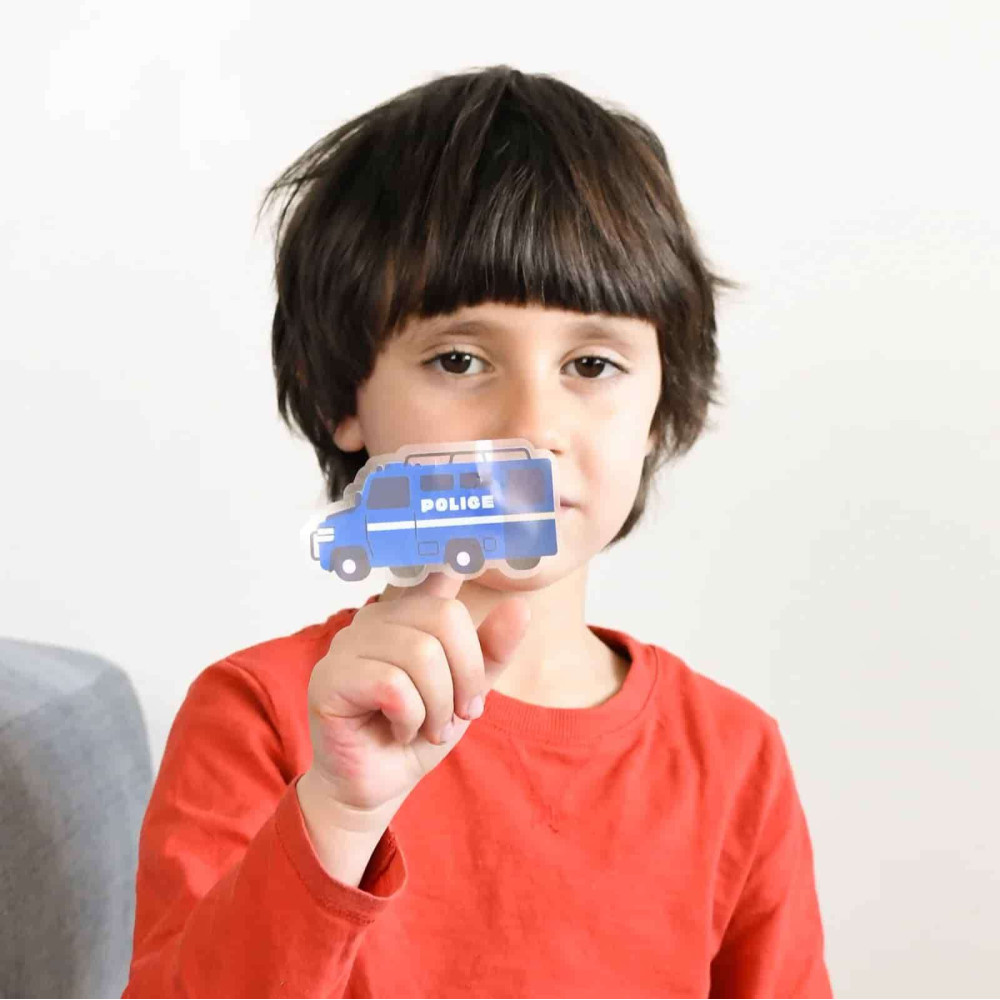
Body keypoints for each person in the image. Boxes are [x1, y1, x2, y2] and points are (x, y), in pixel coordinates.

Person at [122, 65, 833, 998]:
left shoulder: (735, 758)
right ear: (345, 398)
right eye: (459, 359)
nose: (532, 425)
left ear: (660, 409)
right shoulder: (261, 717)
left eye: (592, 364)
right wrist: (338, 813)